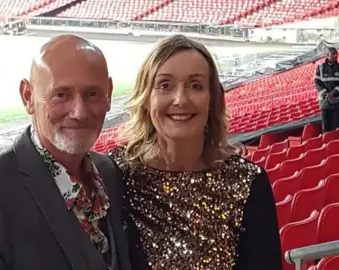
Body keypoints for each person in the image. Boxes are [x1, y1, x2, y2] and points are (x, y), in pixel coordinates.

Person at [0, 35, 138, 270]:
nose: (79, 112)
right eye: (61, 95)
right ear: (28, 96)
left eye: (92, 93)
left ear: (109, 93)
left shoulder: (109, 171)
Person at [108, 35, 282, 269]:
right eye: (165, 85)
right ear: (146, 98)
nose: (180, 99)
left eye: (196, 86)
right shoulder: (114, 175)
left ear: (212, 99)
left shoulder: (248, 182)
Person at [314, 47, 339, 132]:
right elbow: (317, 82)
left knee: (337, 128)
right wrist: (326, 94)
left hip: (338, 103)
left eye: (336, 53)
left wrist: (334, 93)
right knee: (326, 128)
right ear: (327, 55)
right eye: (333, 54)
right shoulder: (320, 68)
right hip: (325, 103)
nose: (336, 55)